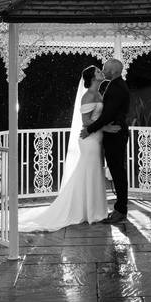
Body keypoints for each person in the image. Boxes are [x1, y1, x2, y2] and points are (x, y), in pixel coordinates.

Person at [19, 65, 120, 232]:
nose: (101, 72)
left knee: (92, 172)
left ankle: (93, 210)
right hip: (89, 140)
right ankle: (90, 211)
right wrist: (106, 128)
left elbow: (99, 117)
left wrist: (107, 124)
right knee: (91, 172)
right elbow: (86, 122)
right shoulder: (88, 96)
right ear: (92, 78)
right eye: (97, 71)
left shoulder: (99, 93)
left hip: (97, 139)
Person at [80, 58, 130, 224]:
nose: (103, 70)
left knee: (118, 172)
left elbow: (108, 115)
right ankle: (101, 207)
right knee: (115, 172)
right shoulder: (111, 86)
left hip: (115, 135)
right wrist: (100, 129)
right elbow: (102, 115)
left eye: (105, 69)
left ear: (113, 71)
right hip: (106, 135)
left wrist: (90, 129)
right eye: (101, 70)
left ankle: (121, 209)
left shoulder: (117, 87)